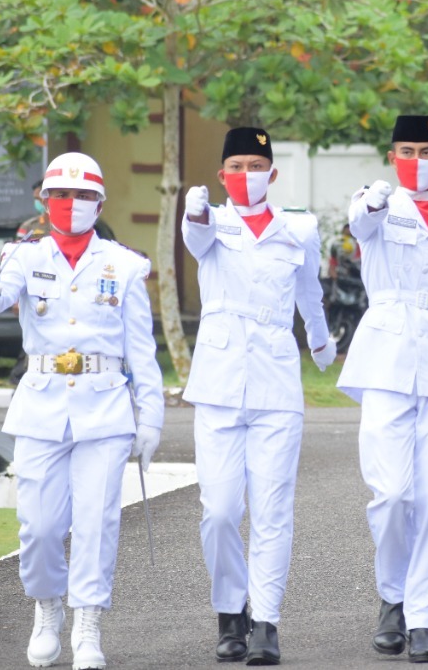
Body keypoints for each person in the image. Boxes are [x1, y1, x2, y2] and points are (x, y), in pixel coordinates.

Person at [0, 152, 163, 670]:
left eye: (82, 196)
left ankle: (89, 626)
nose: (70, 205)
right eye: (60, 195)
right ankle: (47, 608)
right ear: (45, 200)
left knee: (97, 523)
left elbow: (142, 351)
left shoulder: (124, 265)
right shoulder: (23, 256)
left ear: (99, 203)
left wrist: (151, 420)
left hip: (104, 408)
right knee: (37, 525)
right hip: (41, 404)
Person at [181, 127, 336, 665]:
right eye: (236, 166)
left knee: (272, 509)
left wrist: (319, 337)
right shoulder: (211, 221)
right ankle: (231, 610)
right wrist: (193, 210)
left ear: (272, 173)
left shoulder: (299, 227)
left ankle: (266, 620)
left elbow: (309, 290)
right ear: (222, 174)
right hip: (220, 382)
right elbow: (194, 237)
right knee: (220, 510)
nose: (246, 175)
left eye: (256, 165)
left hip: (274, 379)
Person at [337, 114, 428, 663]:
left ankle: (422, 615)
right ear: (394, 153)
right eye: (407, 149)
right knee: (393, 493)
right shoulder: (377, 206)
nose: (418, 160)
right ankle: (392, 595)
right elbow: (359, 221)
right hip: (386, 360)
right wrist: (373, 201)